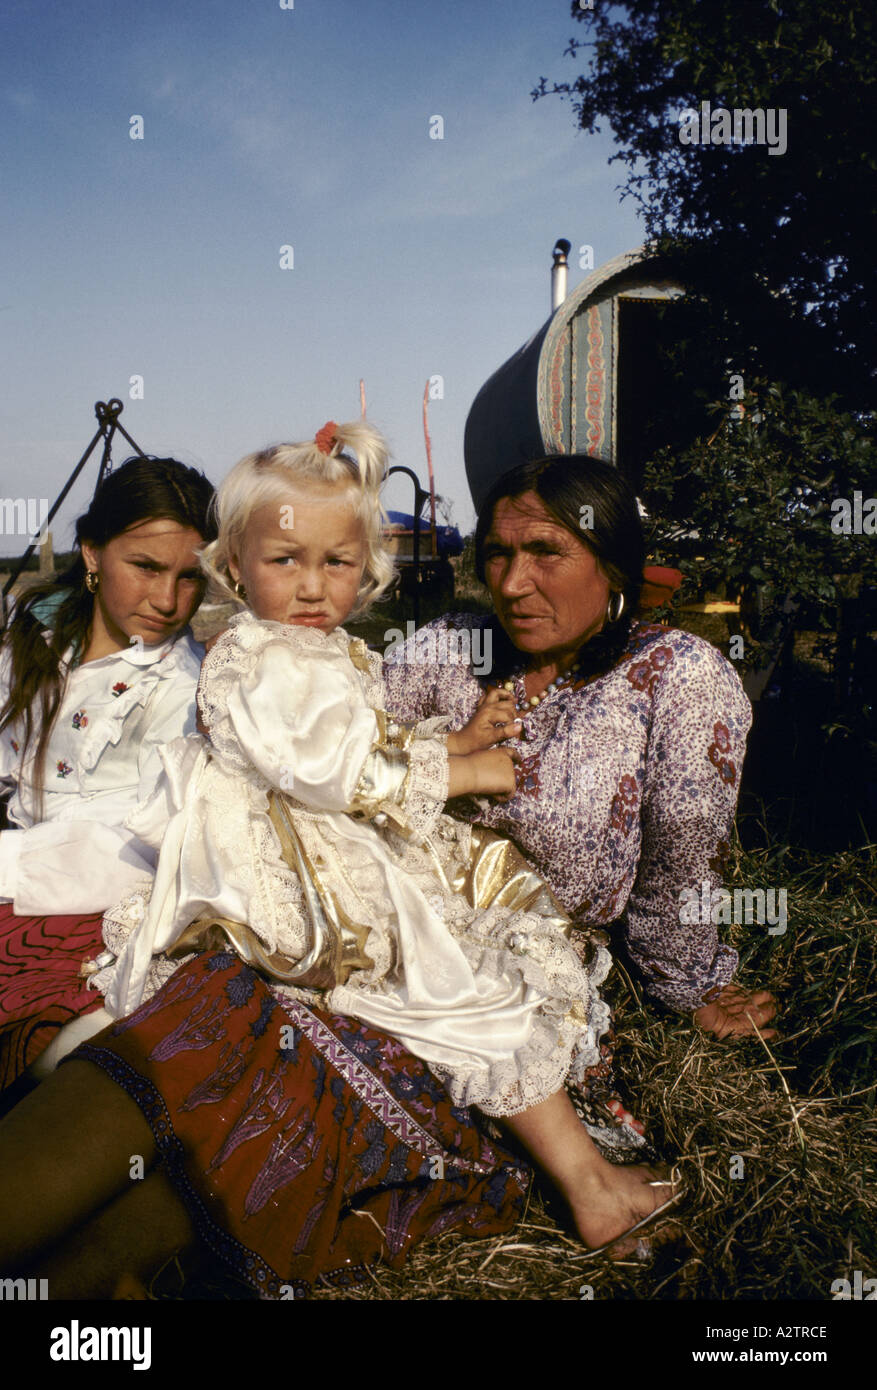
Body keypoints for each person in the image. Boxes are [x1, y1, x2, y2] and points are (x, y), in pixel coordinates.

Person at [0, 422, 680, 1300]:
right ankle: (583, 1183)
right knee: (447, 986)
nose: (314, 586)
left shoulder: (321, 651)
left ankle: (579, 1178)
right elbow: (326, 763)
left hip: (354, 870)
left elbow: (348, 741)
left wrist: (443, 747)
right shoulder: (273, 655)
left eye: (338, 563)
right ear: (236, 570)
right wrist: (460, 766)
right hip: (305, 883)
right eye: (286, 561)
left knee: (458, 987)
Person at [382, 454, 778, 1043]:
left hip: (522, 975)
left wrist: (686, 981)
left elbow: (684, 849)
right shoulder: (452, 646)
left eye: (546, 551)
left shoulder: (675, 677)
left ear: (613, 568)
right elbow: (343, 744)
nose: (513, 585)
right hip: (390, 923)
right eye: (498, 553)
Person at [0, 456, 216, 1088]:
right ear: (93, 553)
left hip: (98, 899)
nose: (168, 600)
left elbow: (125, 843)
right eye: (145, 567)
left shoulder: (184, 686)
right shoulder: (35, 639)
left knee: (87, 1050)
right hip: (24, 867)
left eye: (189, 577)